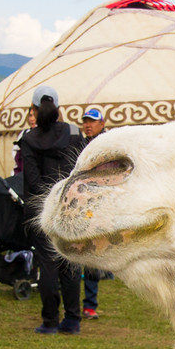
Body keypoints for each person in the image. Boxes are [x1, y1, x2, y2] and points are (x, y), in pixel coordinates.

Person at [21, 86, 86, 335]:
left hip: (42, 207)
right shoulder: (72, 132)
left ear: (34, 109)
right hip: (70, 205)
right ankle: (72, 320)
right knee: (70, 261)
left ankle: (50, 321)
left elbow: (32, 178)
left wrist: (45, 200)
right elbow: (79, 171)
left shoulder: (28, 138)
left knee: (47, 263)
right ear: (58, 107)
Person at [80, 107, 109, 320]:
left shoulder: (110, 147)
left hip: (101, 206)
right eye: (85, 121)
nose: (88, 125)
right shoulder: (78, 145)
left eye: (92, 121)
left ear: (102, 123)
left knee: (91, 253)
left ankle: (90, 304)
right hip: (81, 205)